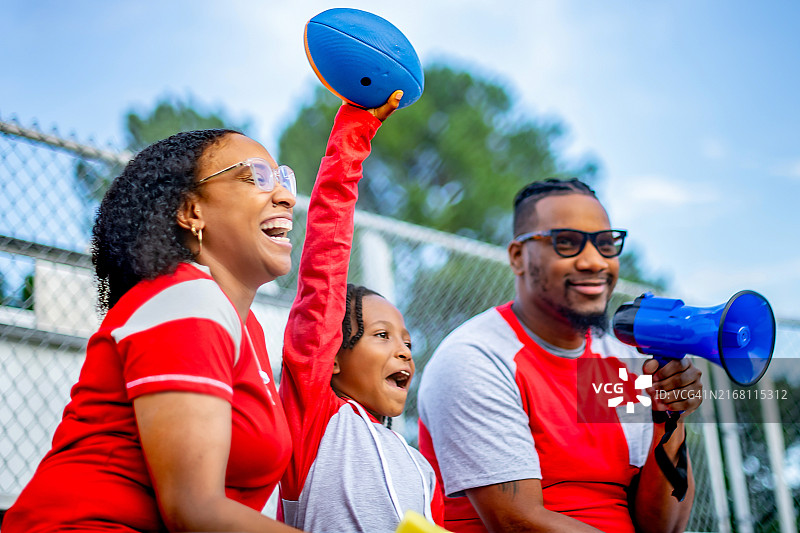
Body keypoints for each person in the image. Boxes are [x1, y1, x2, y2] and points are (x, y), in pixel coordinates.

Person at [3, 126, 304, 531]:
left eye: (284, 178)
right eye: (256, 176)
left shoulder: (243, 326)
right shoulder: (185, 298)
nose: (286, 196)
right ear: (191, 211)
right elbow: (193, 509)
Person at [417, 178, 704, 533]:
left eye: (605, 244)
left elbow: (663, 528)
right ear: (518, 257)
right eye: (566, 243)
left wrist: (669, 416)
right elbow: (517, 523)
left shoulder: (623, 362)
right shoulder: (476, 358)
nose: (593, 261)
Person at [278, 91, 444, 532]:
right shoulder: (318, 422)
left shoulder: (422, 471)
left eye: (407, 341)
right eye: (382, 335)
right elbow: (325, 261)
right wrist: (356, 130)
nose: (406, 351)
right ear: (332, 356)